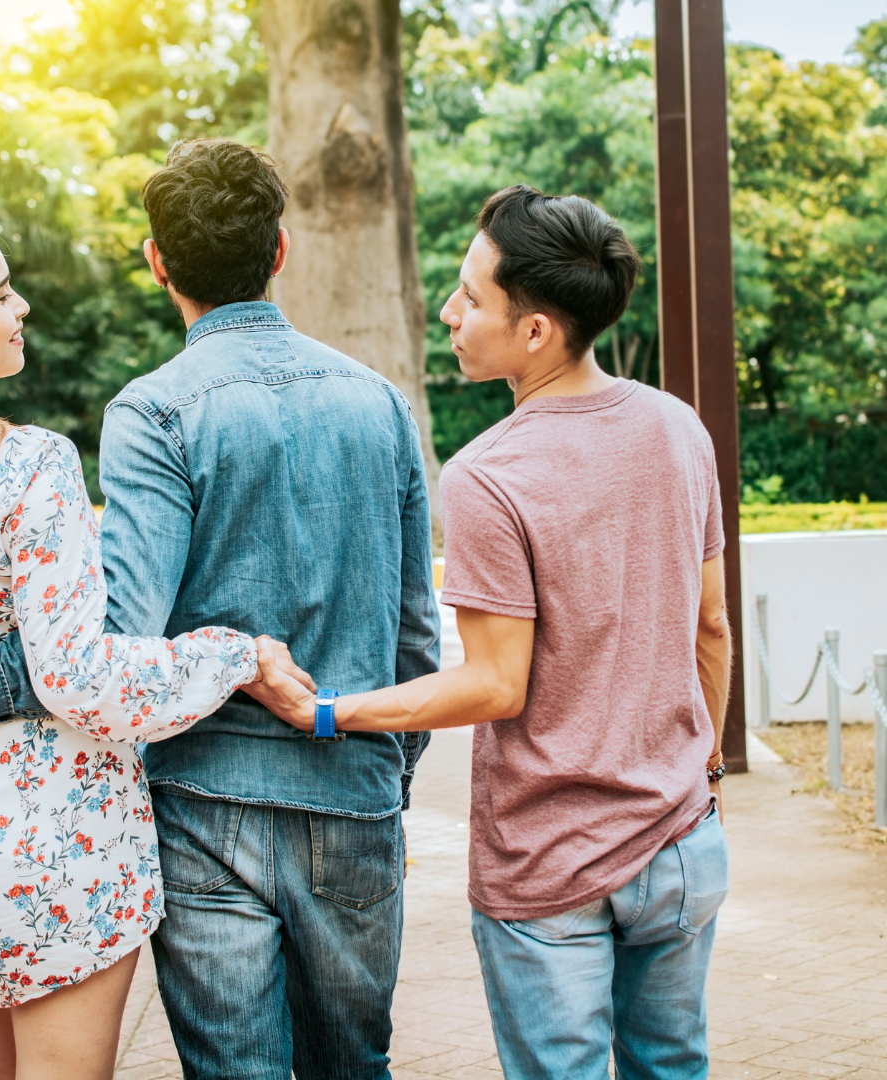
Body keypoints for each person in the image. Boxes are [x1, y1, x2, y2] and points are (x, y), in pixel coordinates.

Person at [0, 140, 441, 1080]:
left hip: (204, 805)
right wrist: (385, 773)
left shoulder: (154, 411)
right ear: (281, 250)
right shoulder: (379, 404)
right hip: (353, 792)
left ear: (157, 261)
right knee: (355, 1067)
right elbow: (417, 629)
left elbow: (112, 629)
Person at [0, 202, 304, 1080]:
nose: (22, 307)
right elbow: (82, 679)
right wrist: (237, 654)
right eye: (2, 294)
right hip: (48, 855)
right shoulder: (27, 465)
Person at [244, 185, 732, 1080]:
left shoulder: (488, 474)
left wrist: (326, 713)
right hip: (681, 841)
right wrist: (700, 773)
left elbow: (495, 685)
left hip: (550, 865)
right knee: (675, 1067)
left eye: (471, 297)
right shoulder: (678, 428)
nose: (449, 310)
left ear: (536, 330)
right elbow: (711, 624)